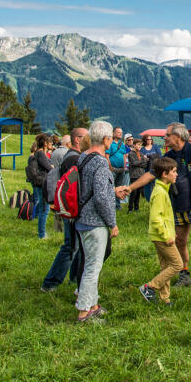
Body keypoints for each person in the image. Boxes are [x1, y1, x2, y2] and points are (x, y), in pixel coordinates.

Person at [117, 123, 191, 288]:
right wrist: (130, 188)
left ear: (178, 136)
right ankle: (184, 273)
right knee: (180, 241)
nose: (164, 138)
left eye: (167, 135)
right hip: (178, 205)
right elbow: (150, 174)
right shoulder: (168, 156)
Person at [73, 121, 119, 323]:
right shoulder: (100, 162)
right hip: (95, 221)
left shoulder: (83, 157)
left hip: (82, 217)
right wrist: (112, 223)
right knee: (92, 267)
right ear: (107, 139)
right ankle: (84, 312)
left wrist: (113, 191)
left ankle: (93, 305)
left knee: (92, 262)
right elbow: (100, 197)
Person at [42, 128, 87, 273]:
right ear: (77, 139)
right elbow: (74, 186)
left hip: (72, 207)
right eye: (87, 137)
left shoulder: (73, 156)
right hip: (72, 208)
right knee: (71, 246)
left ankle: (75, 278)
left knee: (77, 246)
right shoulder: (74, 159)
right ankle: (51, 281)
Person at [138, 156, 182, 305]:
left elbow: (164, 217)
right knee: (177, 265)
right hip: (162, 237)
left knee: (166, 267)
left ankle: (165, 299)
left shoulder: (163, 190)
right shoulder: (159, 193)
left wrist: (171, 231)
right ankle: (149, 286)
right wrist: (166, 235)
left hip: (163, 235)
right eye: (174, 171)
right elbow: (156, 218)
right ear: (164, 174)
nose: (176, 174)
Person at [26, 133, 55, 238]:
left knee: (43, 207)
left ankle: (41, 232)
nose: (52, 143)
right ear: (45, 143)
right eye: (50, 141)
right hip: (43, 183)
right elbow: (50, 167)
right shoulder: (41, 154)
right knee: (45, 209)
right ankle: (42, 234)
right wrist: (51, 166)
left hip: (39, 183)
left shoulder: (38, 153)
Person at [107, 127, 129, 210]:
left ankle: (117, 205)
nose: (120, 134)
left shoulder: (122, 144)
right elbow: (107, 156)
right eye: (118, 132)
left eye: (121, 132)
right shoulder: (110, 143)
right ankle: (110, 206)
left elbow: (124, 155)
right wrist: (110, 167)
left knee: (119, 187)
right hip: (113, 169)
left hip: (121, 169)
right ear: (113, 133)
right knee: (111, 187)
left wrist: (124, 166)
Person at [127, 139, 151, 212]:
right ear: (134, 145)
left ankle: (136, 208)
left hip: (140, 175)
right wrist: (143, 160)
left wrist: (141, 162)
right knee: (133, 193)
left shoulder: (140, 154)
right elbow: (134, 163)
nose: (139, 146)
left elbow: (144, 165)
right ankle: (130, 208)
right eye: (138, 144)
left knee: (138, 193)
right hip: (134, 175)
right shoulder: (131, 154)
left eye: (140, 145)